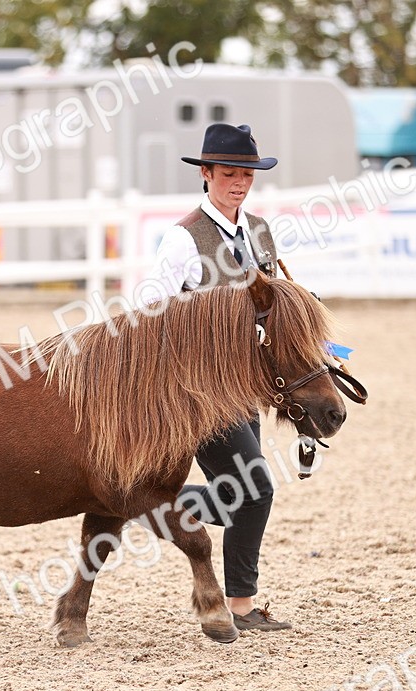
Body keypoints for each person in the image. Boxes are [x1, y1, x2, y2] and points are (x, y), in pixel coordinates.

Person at [141, 122, 291, 632]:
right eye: (229, 173)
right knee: (257, 489)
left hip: (246, 387)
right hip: (200, 390)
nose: (240, 183)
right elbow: (150, 309)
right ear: (206, 174)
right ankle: (241, 608)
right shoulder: (184, 238)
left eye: (247, 174)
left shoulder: (260, 232)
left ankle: (159, 504)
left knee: (242, 494)